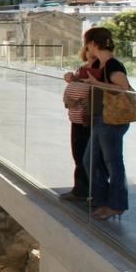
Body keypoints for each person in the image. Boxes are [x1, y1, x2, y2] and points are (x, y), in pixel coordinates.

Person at [80, 27, 132, 220]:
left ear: (93, 44)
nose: (86, 48)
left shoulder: (112, 65)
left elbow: (123, 88)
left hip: (111, 120)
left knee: (113, 163)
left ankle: (116, 204)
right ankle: (102, 200)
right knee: (90, 160)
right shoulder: (102, 64)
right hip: (102, 119)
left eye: (88, 44)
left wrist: (97, 84)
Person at [60, 45, 100, 202]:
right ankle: (81, 189)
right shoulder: (81, 69)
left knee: (87, 158)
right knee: (78, 156)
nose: (91, 53)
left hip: (88, 121)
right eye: (89, 50)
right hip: (76, 120)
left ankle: (87, 191)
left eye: (95, 50)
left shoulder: (99, 71)